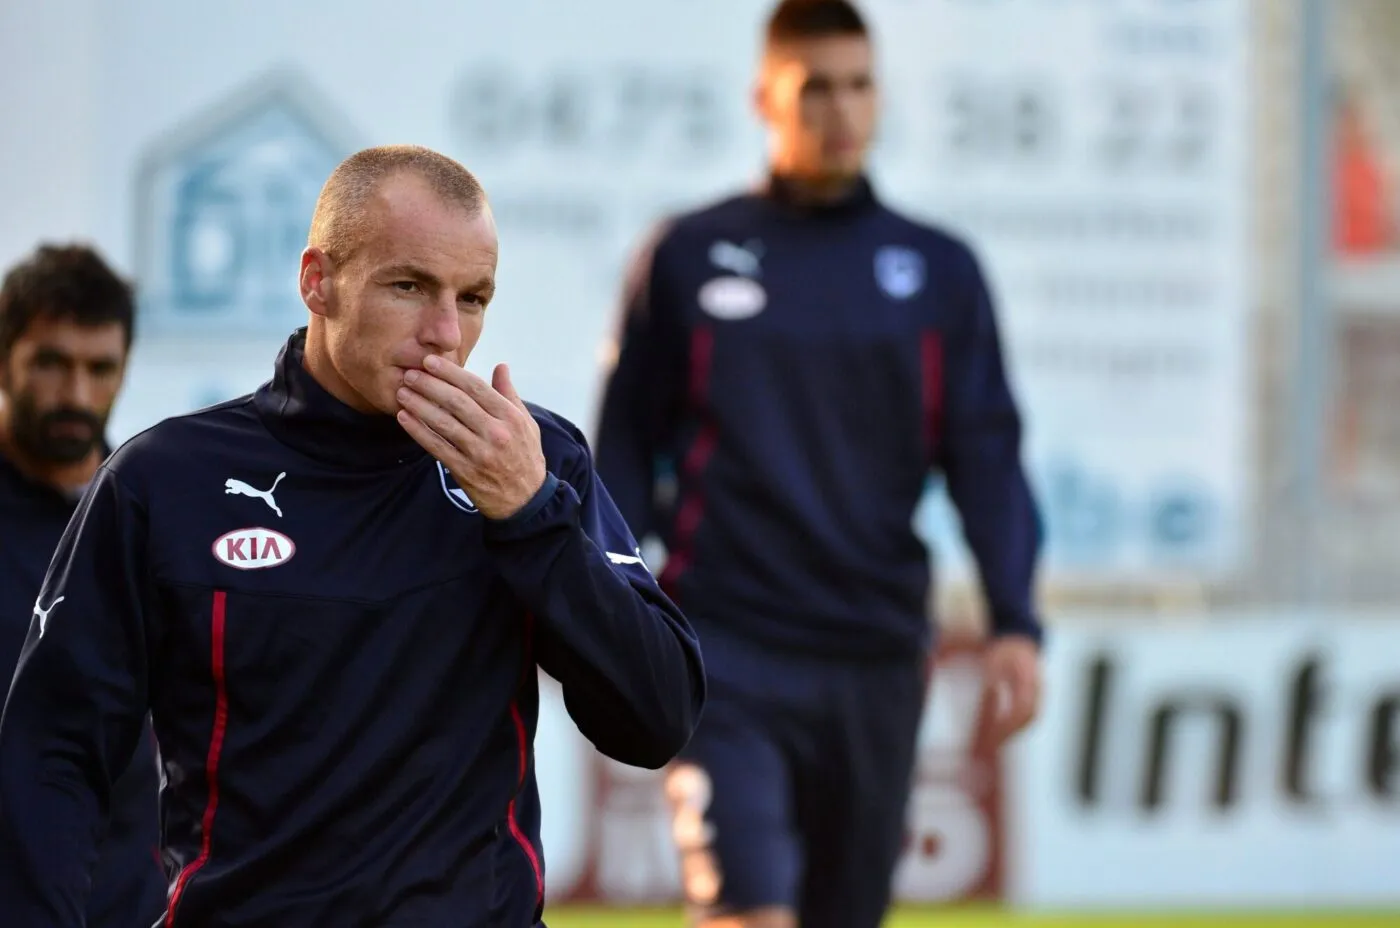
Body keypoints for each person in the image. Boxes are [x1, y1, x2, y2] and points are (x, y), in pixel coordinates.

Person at [0, 144, 706, 927]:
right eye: (409, 287)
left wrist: (530, 513)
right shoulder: (166, 481)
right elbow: (52, 753)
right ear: (317, 281)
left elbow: (657, 718)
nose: (444, 332)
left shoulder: (534, 464)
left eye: (472, 298)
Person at [594, 2, 1044, 926]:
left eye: (859, 85)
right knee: (748, 912)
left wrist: (1016, 618)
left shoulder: (939, 270)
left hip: (875, 652)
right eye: (815, 89)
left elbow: (986, 457)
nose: (841, 110)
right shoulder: (684, 256)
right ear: (766, 97)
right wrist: (599, 601)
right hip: (723, 644)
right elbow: (626, 449)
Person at [0, 243, 167, 928]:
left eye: (99, 368)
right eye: (50, 363)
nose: (74, 394)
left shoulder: (155, 516)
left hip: (131, 902)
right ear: (6, 356)